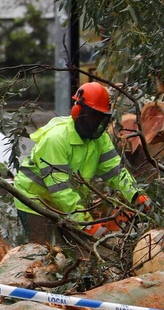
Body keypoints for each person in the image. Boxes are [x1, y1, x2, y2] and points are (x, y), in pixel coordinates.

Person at [11, 81, 150, 244]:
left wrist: (136, 195)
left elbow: (115, 172)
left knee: (78, 251)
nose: (95, 123)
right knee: (50, 252)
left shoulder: (100, 139)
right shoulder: (56, 139)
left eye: (100, 118)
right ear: (78, 111)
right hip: (35, 201)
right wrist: (86, 223)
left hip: (63, 201)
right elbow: (60, 189)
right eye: (92, 117)